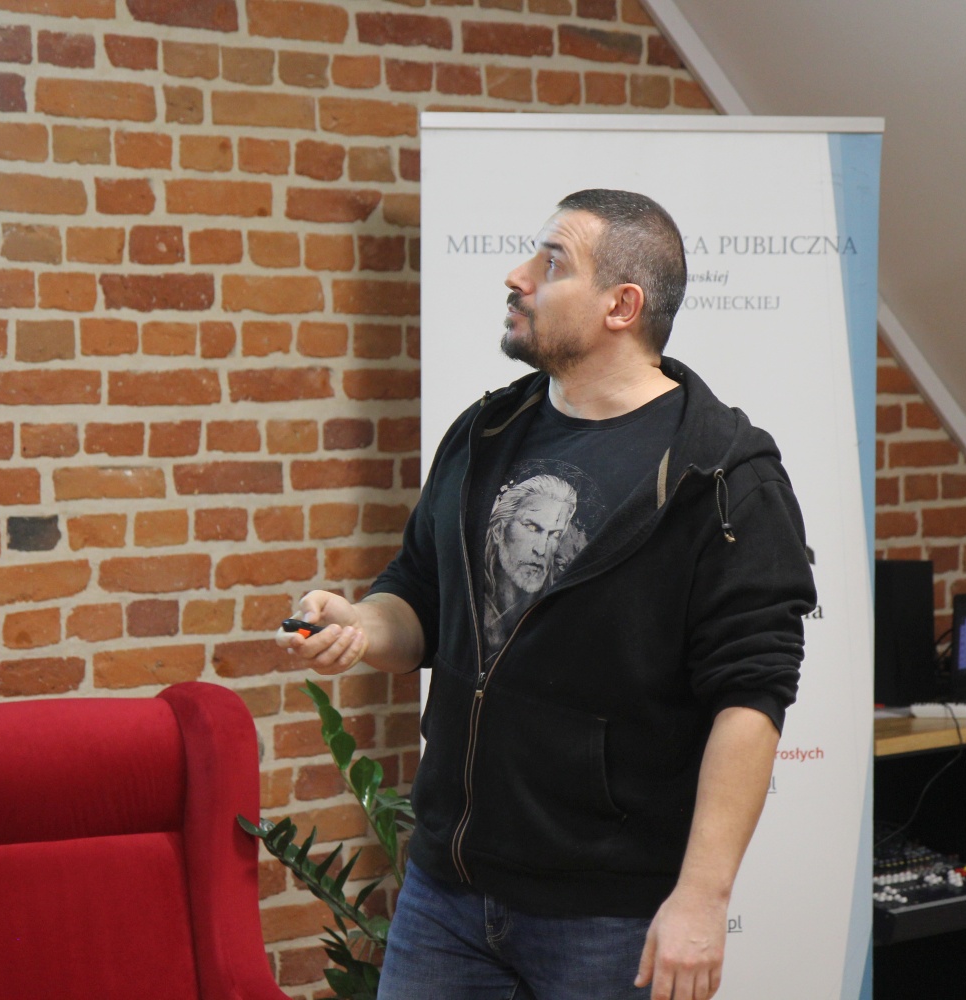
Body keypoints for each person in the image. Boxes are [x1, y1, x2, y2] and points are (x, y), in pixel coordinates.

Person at [278, 189, 816, 1000]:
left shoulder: (720, 474)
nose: (517, 276)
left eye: (552, 262)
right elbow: (418, 596)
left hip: (609, 916)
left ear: (620, 306)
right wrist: (361, 624)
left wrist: (702, 898)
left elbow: (751, 697)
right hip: (445, 896)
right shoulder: (484, 433)